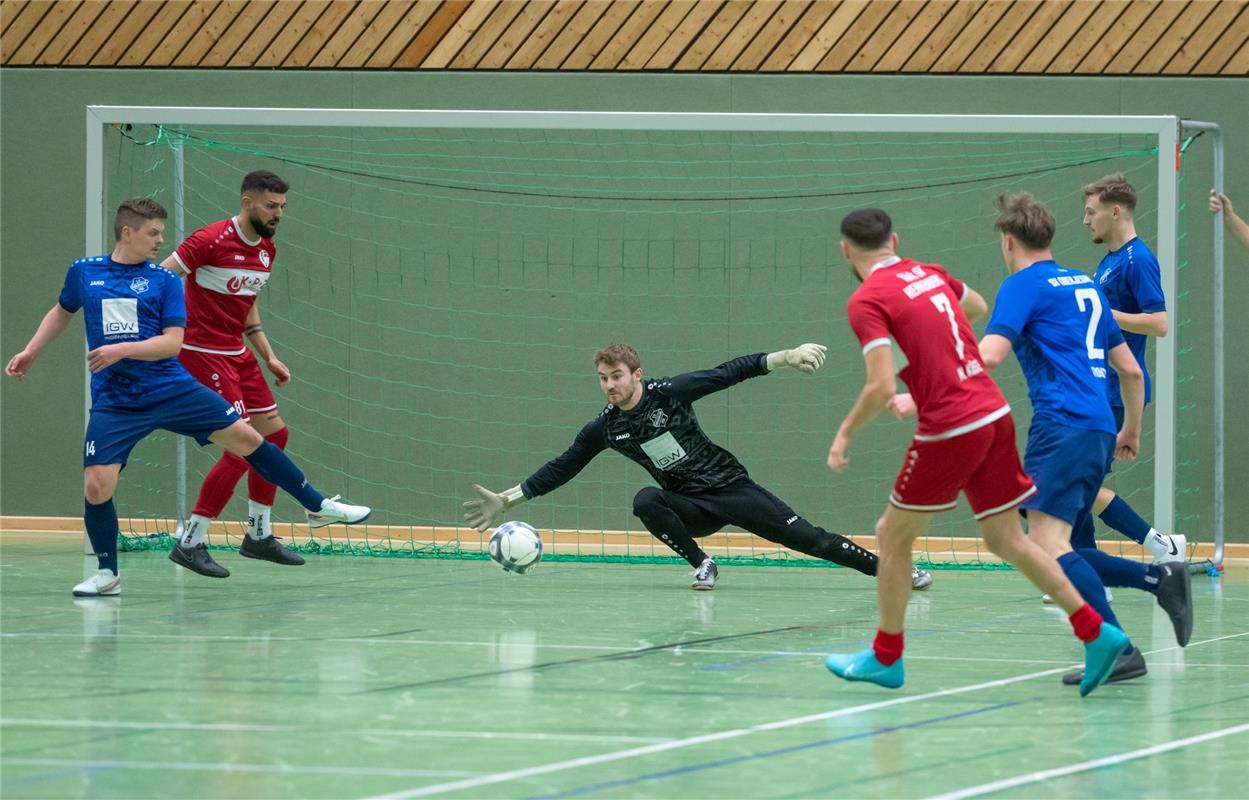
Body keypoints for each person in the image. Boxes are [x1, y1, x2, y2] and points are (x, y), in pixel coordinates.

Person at [822, 208, 1126, 697]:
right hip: (994, 412)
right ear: (894, 240)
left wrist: (844, 435)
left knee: (891, 535)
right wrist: (931, 345)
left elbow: (880, 387)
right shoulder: (928, 272)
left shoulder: (867, 299)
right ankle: (1098, 631)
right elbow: (978, 305)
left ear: (845, 250)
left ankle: (886, 657)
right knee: (1007, 539)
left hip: (952, 424)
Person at [4, 198, 370, 597]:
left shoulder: (163, 281)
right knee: (97, 486)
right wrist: (31, 350)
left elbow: (172, 344)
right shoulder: (84, 272)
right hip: (116, 400)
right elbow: (62, 311)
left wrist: (120, 350)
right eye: (153, 233)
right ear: (127, 232)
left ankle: (315, 506)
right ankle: (107, 574)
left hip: (172, 388)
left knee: (248, 439)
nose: (161, 240)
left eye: (162, 232)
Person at [462, 342, 935, 591]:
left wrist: (786, 358)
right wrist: (507, 499)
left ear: (636, 375)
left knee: (810, 539)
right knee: (646, 500)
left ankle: (897, 573)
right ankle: (703, 564)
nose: (609, 385)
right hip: (689, 506)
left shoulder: (669, 393)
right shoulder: (604, 428)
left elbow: (727, 372)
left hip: (730, 487)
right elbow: (561, 467)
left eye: (616, 377)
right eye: (603, 379)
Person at [977, 193, 1192, 686]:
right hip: (1097, 425)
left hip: (1061, 425)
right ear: (1048, 236)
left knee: (1044, 545)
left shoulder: (1021, 285)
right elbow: (1131, 371)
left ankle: (1117, 644)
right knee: (1058, 541)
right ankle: (1157, 579)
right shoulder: (1087, 284)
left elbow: (990, 354)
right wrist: (1131, 428)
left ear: (1008, 242)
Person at [158, 170, 306, 578]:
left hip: (238, 353)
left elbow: (247, 304)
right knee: (244, 444)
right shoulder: (209, 241)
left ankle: (258, 535)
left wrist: (269, 356)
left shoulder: (266, 251)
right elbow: (160, 278)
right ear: (247, 201)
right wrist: (168, 333)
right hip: (203, 354)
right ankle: (191, 542)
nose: (277, 214)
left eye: (282, 207)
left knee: (275, 436)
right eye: (270, 206)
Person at [1075, 173, 1186, 564]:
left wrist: (1105, 313)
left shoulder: (1139, 260)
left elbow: (1159, 323)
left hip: (1117, 392)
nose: (1086, 220)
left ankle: (1159, 545)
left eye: (1091, 211)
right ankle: (1087, 573)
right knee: (1078, 486)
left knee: (1076, 486)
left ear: (1115, 210)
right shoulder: (1109, 262)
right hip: (1096, 389)